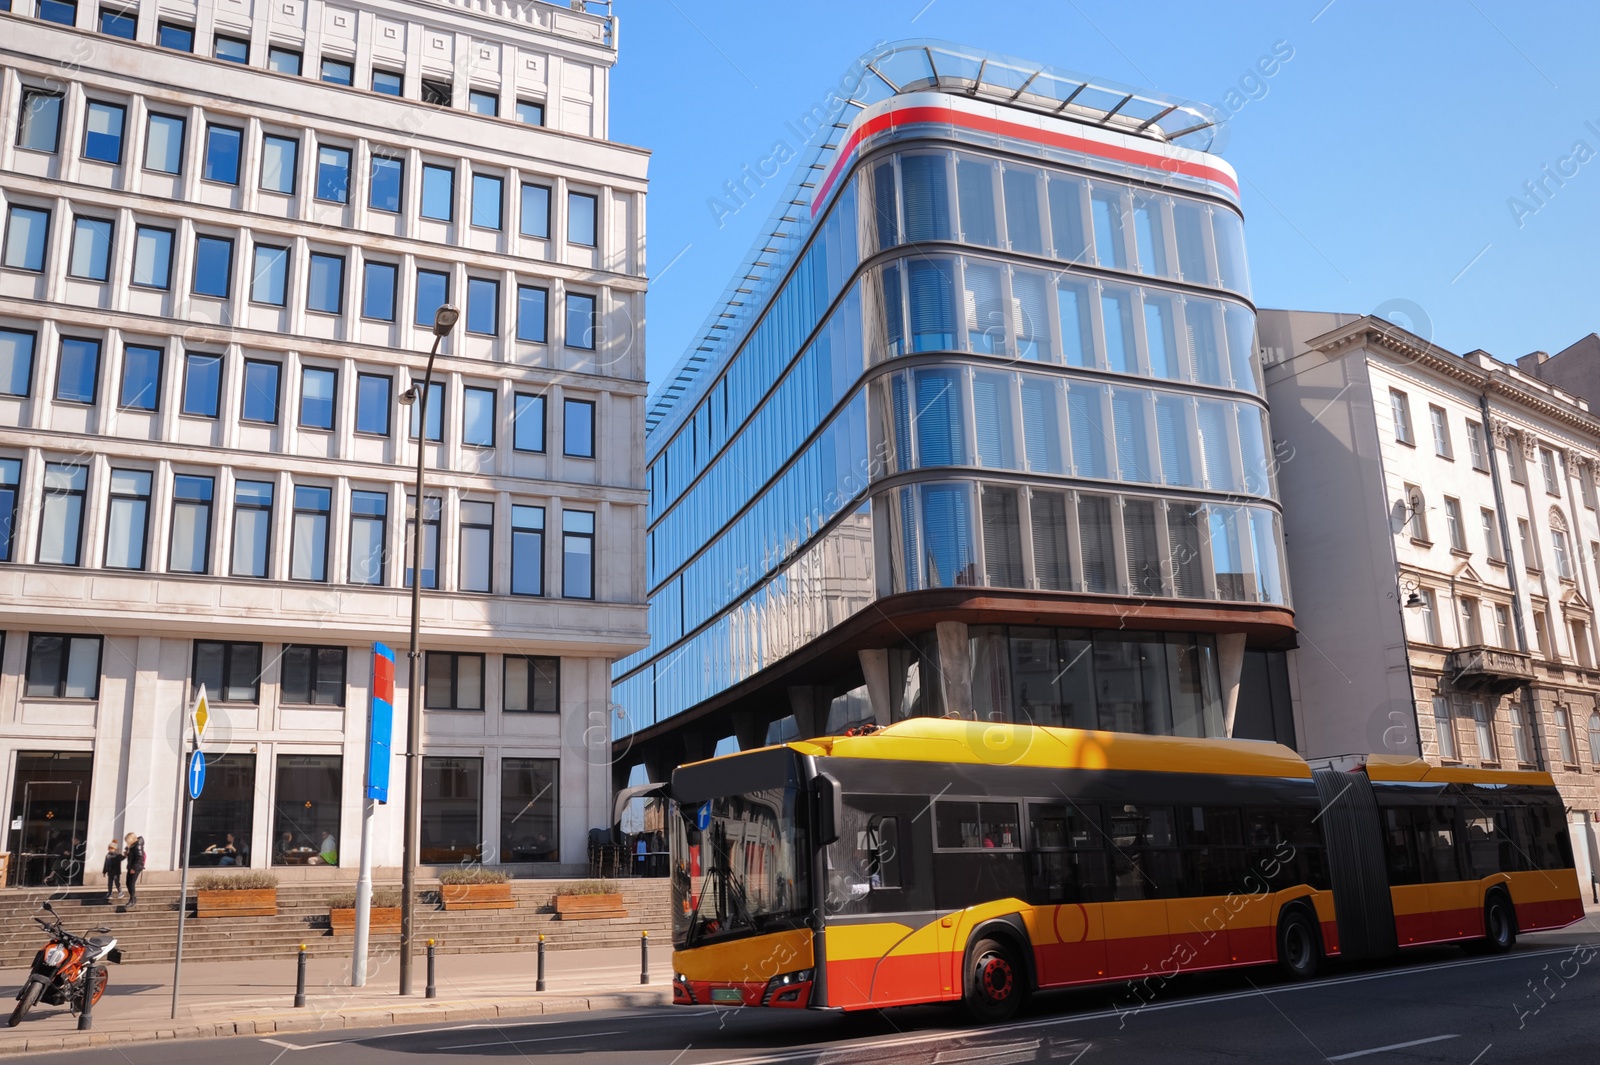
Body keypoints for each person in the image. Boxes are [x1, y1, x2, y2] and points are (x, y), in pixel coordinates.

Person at [124, 833, 145, 909]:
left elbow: (139, 857)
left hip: (136, 867)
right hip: (131, 867)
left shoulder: (137, 846)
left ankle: (132, 899)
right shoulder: (133, 846)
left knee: (131, 883)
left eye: (127, 840)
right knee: (128, 883)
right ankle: (133, 898)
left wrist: (134, 868)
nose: (127, 842)